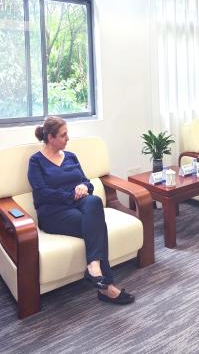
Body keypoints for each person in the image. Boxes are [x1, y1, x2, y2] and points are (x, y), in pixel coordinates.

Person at [27, 116, 134, 305]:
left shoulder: (70, 156)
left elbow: (86, 181)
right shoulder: (36, 161)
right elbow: (42, 193)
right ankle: (106, 288)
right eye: (63, 135)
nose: (67, 138)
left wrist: (84, 186)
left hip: (80, 204)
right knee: (97, 225)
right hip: (54, 213)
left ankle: (94, 267)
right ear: (50, 138)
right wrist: (71, 195)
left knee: (94, 201)